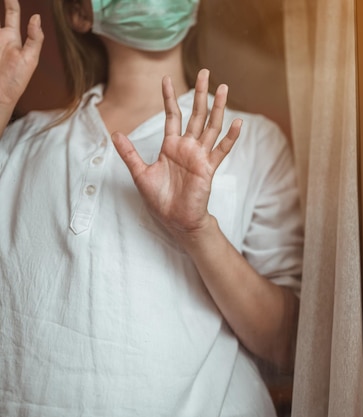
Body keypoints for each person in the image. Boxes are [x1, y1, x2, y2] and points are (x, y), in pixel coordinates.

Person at [0, 0, 303, 415]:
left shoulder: (254, 142)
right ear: (79, 14)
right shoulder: (20, 141)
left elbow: (288, 345)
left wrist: (197, 230)